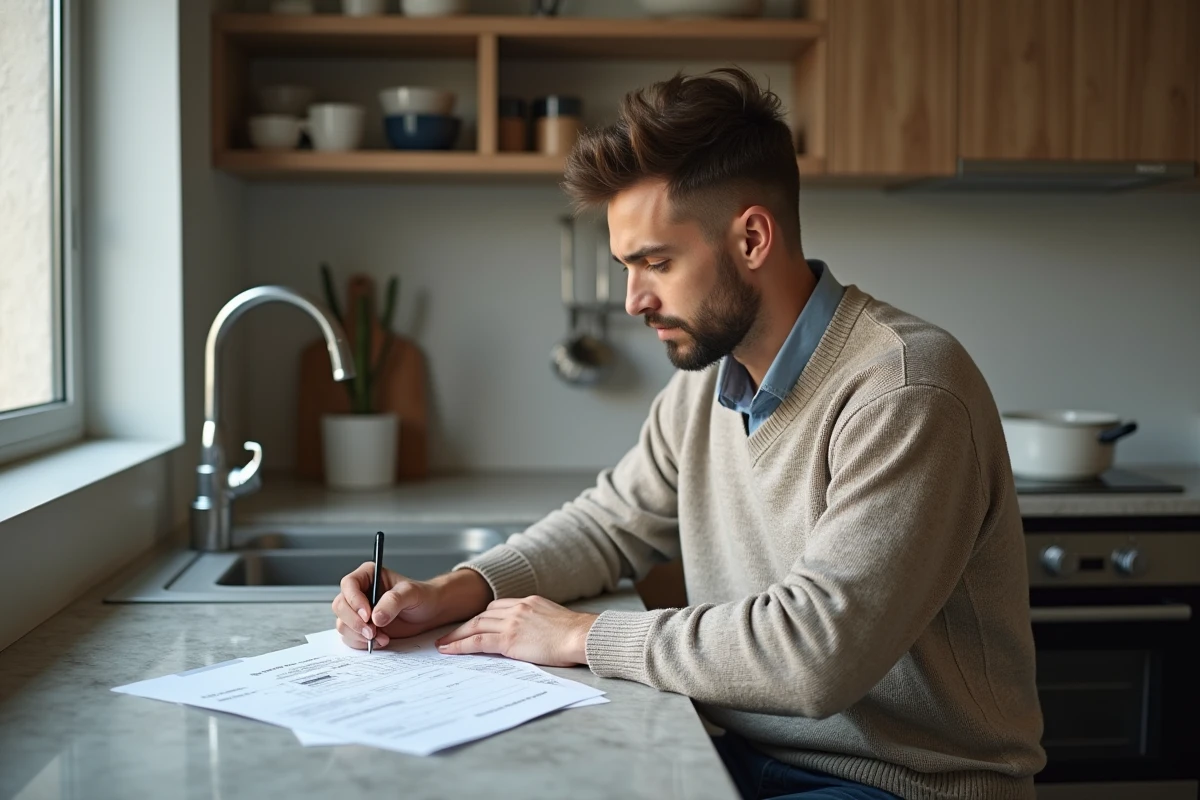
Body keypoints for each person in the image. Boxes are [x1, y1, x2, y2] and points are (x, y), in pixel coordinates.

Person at [332, 67, 1046, 800]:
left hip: (904, 785)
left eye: (656, 263)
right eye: (625, 267)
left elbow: (815, 653)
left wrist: (580, 637)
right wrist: (458, 589)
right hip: (745, 752)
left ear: (752, 238)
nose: (634, 299)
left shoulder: (904, 389)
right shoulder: (706, 382)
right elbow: (611, 524)